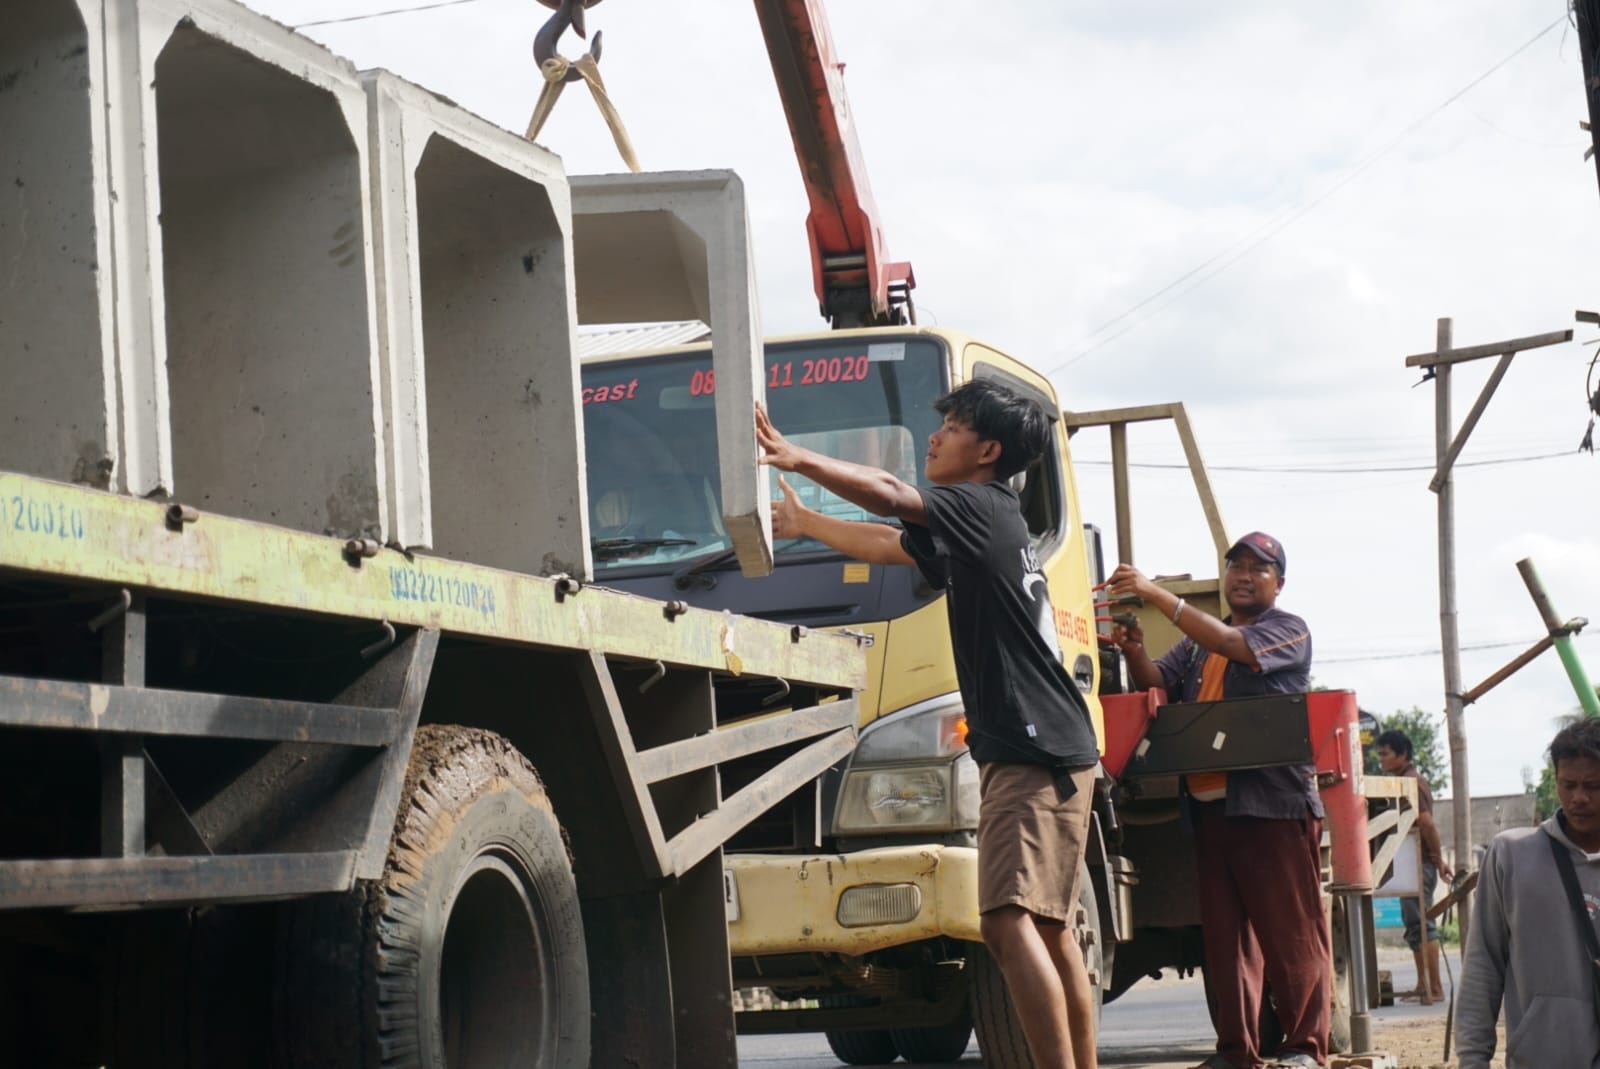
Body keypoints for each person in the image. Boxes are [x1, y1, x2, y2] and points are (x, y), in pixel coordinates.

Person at [754, 381, 1101, 1069]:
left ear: (988, 451)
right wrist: (808, 524)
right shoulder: (991, 520)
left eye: (951, 426)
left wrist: (797, 457)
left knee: (1004, 920)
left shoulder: (976, 505)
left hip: (1031, 752)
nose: (935, 437)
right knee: (1052, 927)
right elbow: (889, 544)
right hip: (1060, 746)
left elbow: (888, 493)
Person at [1106, 533, 1326, 1069]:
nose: (1244, 576)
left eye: (1259, 568)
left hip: (1271, 807)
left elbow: (1237, 646)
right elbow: (1159, 679)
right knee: (1225, 941)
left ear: (1280, 583)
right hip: (1210, 809)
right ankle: (1236, 1050)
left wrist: (1157, 595)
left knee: (1289, 933)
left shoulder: (1286, 630)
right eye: (1236, 567)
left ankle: (1304, 1048)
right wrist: (1135, 649)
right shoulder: (1199, 645)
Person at [1456, 718, 1600, 1069]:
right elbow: (1483, 964)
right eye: (1568, 784)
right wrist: (1473, 1059)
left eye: (1593, 786)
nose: (1578, 798)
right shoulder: (1512, 856)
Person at [1372, 728, 1453, 1004]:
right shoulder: (1403, 781)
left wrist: (1438, 861)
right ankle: (1424, 985)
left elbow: (1427, 824)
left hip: (1419, 865)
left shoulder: (1411, 783)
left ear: (1402, 754)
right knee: (1416, 925)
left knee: (1421, 923)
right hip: (1412, 866)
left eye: (1385, 754)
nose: (1381, 760)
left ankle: (1434, 988)